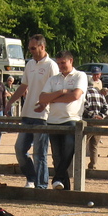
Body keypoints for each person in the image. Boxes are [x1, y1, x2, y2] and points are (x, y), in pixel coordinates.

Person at [7, 34, 58, 189]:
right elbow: (23, 86)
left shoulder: (51, 65)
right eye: (29, 48)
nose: (31, 51)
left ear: (42, 47)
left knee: (40, 153)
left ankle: (41, 185)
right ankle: (31, 177)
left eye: (33, 48)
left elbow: (55, 90)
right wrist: (10, 101)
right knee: (19, 149)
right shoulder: (29, 64)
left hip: (43, 115)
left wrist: (45, 103)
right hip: (27, 112)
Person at [35, 50, 87, 190]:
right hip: (53, 120)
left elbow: (75, 96)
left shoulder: (80, 76)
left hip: (71, 119)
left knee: (68, 151)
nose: (60, 66)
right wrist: (62, 92)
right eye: (58, 63)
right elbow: (42, 98)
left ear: (71, 61)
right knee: (57, 156)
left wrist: (52, 98)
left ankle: (58, 178)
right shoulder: (53, 79)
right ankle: (64, 188)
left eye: (63, 63)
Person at [83, 82, 108, 170]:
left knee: (82, 144)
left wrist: (93, 116)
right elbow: (106, 108)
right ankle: (92, 165)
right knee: (94, 146)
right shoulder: (100, 93)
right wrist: (101, 116)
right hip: (99, 122)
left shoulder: (85, 92)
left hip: (88, 122)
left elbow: (84, 107)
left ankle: (80, 165)